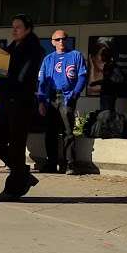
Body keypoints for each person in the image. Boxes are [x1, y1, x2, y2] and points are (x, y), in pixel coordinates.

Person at [0, 14, 44, 201]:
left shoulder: (33, 49)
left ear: (28, 29)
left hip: (21, 103)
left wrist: (1, 78)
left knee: (16, 147)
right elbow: (5, 73)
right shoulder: (11, 48)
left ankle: (13, 188)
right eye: (12, 27)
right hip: (6, 101)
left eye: (18, 27)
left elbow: (22, 78)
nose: (14, 30)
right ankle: (23, 175)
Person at [38, 30, 88, 175]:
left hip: (67, 96)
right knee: (50, 132)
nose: (61, 42)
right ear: (52, 42)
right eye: (58, 39)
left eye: (64, 39)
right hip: (51, 98)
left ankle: (70, 164)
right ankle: (52, 163)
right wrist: (41, 101)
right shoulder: (48, 59)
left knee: (68, 131)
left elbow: (82, 76)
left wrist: (75, 94)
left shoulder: (75, 55)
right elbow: (41, 82)